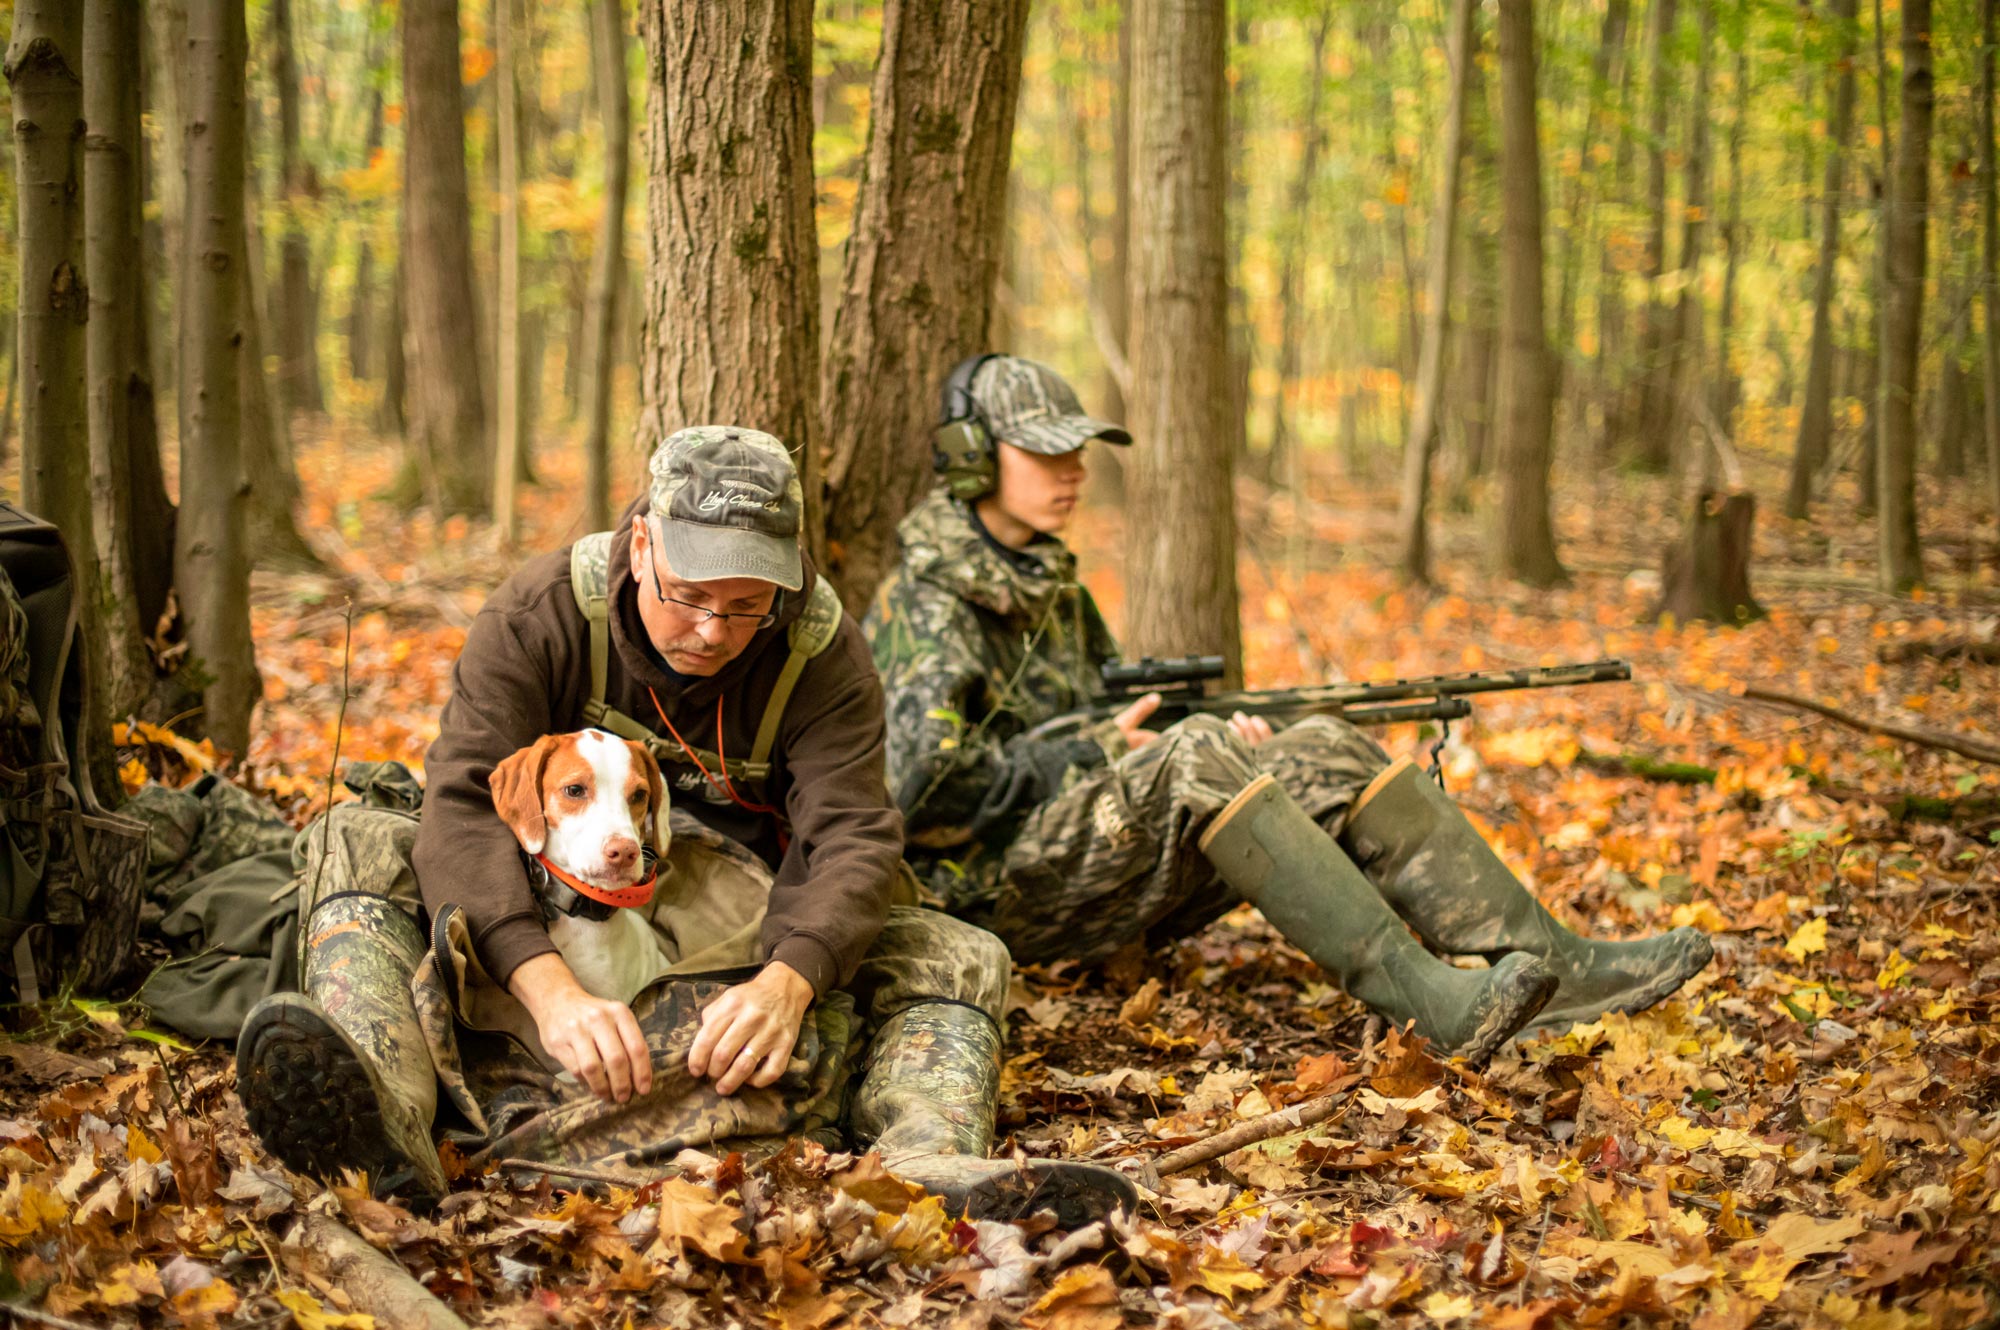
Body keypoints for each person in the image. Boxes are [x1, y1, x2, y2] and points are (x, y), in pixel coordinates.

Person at [236, 426, 1131, 1224]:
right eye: (690, 594)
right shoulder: (543, 613)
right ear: (642, 546)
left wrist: (791, 980)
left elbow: (854, 834)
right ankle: (380, 1123)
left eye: (748, 608)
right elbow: (464, 800)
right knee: (357, 839)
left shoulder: (821, 652)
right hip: (548, 917)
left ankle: (925, 1158)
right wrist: (547, 988)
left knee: (956, 948)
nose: (711, 631)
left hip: (732, 929)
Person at [865, 356, 1713, 1063]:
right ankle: (1432, 1004)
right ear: (974, 458)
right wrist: (1106, 752)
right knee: (1195, 749)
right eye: (1044, 453)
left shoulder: (1049, 583)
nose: (1073, 470)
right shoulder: (930, 605)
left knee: (1321, 749)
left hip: (1075, 847)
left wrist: (1208, 757)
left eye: (1077, 451)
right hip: (981, 892)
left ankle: (1556, 965)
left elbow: (1103, 723)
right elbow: (922, 790)